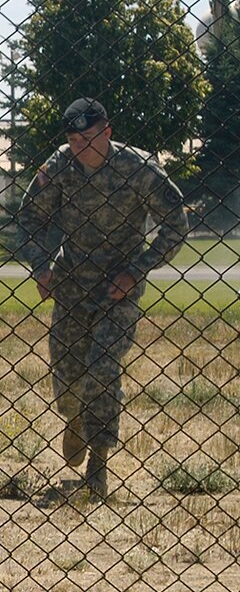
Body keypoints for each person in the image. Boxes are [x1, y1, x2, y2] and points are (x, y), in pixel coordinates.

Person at [15, 98, 188, 506]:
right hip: (72, 284)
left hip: (117, 288)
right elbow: (29, 219)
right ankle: (74, 417)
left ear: (107, 133)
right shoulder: (58, 166)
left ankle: (98, 467)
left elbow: (176, 225)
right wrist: (42, 267)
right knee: (69, 375)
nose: (79, 147)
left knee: (102, 368)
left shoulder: (139, 169)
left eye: (87, 138)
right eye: (73, 139)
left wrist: (138, 270)